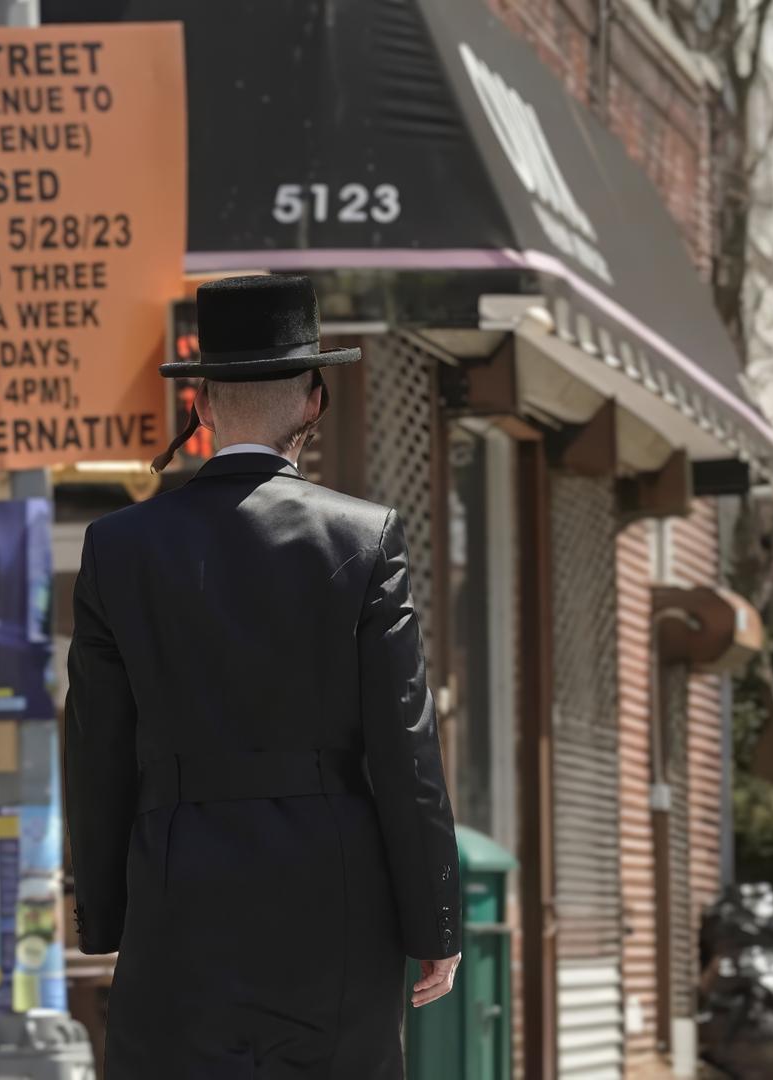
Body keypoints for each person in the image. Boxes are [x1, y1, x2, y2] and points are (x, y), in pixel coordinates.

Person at [64, 274, 463, 1077]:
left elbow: (96, 750)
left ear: (202, 405)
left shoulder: (118, 546)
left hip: (178, 900)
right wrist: (435, 925)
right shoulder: (364, 537)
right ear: (313, 402)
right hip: (334, 897)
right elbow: (406, 749)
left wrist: (107, 920)